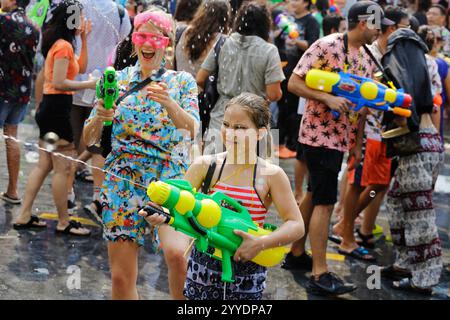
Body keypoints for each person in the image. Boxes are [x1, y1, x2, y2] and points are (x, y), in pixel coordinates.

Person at [140, 92, 305, 300]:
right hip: (202, 270)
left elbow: (296, 225)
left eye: (240, 128)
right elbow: (177, 209)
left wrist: (260, 243)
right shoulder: (205, 166)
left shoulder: (271, 174)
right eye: (226, 125)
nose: (230, 133)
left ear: (261, 133)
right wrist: (160, 216)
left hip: (247, 271)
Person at [83, 8, 200, 300]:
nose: (148, 43)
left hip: (169, 179)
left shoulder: (182, 82)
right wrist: (100, 116)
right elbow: (88, 140)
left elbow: (194, 130)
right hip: (123, 179)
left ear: (168, 42)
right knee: (121, 280)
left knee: (177, 256)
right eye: (142, 36)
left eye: (156, 37)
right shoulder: (115, 81)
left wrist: (171, 105)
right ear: (134, 39)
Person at [284, 1, 387, 296]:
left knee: (316, 193)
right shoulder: (326, 45)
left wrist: (355, 144)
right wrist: (326, 98)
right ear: (363, 23)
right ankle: (320, 272)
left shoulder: (367, 56)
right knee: (326, 202)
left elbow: (363, 104)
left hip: (341, 138)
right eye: (376, 24)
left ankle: (295, 253)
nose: (379, 31)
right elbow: (294, 82)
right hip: (319, 136)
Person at [332, 6, 411, 259]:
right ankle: (346, 233)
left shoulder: (383, 53)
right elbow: (363, 96)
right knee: (360, 183)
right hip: (367, 132)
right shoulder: (372, 54)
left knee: (378, 184)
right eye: (403, 27)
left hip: (379, 133)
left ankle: (346, 224)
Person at [13, 0, 95, 235]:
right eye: (79, 17)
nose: (82, 21)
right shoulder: (63, 46)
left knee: (46, 164)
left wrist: (85, 39)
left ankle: (24, 214)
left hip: (51, 108)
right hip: (57, 108)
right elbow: (59, 82)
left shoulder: (65, 44)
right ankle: (63, 221)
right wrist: (90, 84)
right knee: (65, 168)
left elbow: (80, 68)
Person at [381, 27, 444, 295]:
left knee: (419, 213)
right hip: (430, 141)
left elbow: (404, 111)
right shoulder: (426, 62)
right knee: (396, 200)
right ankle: (406, 261)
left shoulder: (400, 69)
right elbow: (435, 104)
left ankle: (424, 278)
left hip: (416, 145)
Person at [70, 0, 131, 219]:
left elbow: (70, 37)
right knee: (98, 145)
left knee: (72, 142)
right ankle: (97, 197)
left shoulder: (75, 6)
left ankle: (68, 192)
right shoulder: (121, 13)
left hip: (75, 81)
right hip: (106, 82)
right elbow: (124, 44)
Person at [197, 2, 284, 152]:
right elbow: (273, 94)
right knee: (252, 171)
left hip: (221, 117)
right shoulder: (269, 50)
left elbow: (200, 78)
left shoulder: (223, 43)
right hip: (252, 121)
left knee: (213, 168)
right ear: (265, 24)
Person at [0, 0, 39, 205]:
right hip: (22, 92)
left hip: (2, 87)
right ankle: (13, 190)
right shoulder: (34, 27)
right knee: (12, 137)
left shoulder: (3, 21)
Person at [175, 0, 230, 135]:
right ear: (226, 17)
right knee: (198, 143)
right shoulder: (223, 41)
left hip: (178, 94)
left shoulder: (182, 32)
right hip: (204, 101)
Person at [275, 0, 320, 159]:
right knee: (281, 108)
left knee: (294, 111)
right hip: (283, 69)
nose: (293, 2)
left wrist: (297, 41)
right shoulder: (288, 19)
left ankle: (292, 146)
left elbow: (314, 46)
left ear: (306, 3)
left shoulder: (311, 21)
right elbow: (278, 41)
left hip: (299, 73)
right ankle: (277, 144)